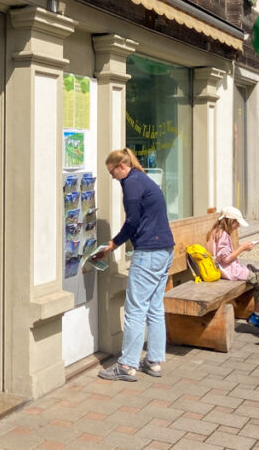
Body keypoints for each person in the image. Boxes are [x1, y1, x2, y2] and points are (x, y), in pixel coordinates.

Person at [94, 148, 175, 381]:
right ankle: (153, 362)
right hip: (164, 249)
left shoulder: (131, 183)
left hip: (148, 252)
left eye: (112, 172)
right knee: (155, 308)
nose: (112, 177)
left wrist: (113, 244)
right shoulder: (143, 179)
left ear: (121, 166)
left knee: (135, 309)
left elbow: (132, 221)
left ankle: (127, 365)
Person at [205, 206, 259, 331]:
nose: (237, 226)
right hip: (229, 271)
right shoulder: (222, 235)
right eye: (237, 223)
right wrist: (242, 248)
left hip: (227, 268)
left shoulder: (217, 232)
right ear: (231, 221)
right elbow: (226, 259)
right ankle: (258, 316)